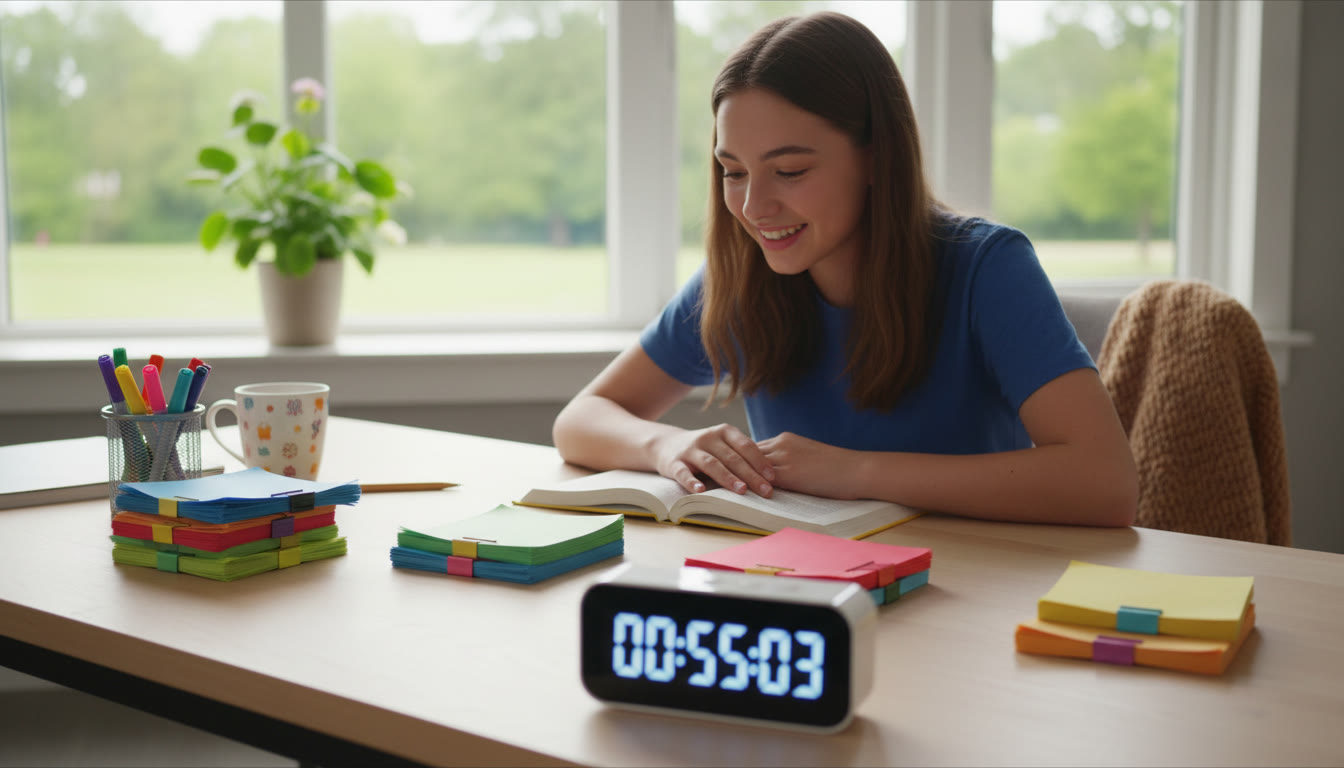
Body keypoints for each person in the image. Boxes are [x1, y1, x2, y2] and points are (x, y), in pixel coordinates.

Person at [552, 11, 1137, 527]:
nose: (754, 209)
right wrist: (666, 445)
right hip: (799, 586)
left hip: (967, 589)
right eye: (733, 172)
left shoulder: (986, 268)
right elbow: (580, 419)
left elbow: (1106, 484)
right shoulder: (740, 277)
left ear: (877, 157)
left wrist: (856, 472)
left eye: (790, 171)